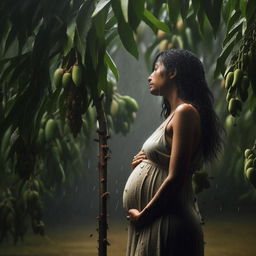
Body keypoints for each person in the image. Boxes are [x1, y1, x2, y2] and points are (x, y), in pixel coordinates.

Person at [122, 48, 224, 256]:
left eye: (156, 69)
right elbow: (171, 163)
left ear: (173, 72)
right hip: (158, 218)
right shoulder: (175, 115)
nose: (149, 76)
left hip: (167, 219)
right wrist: (147, 163)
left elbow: (177, 177)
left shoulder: (185, 112)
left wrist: (144, 216)